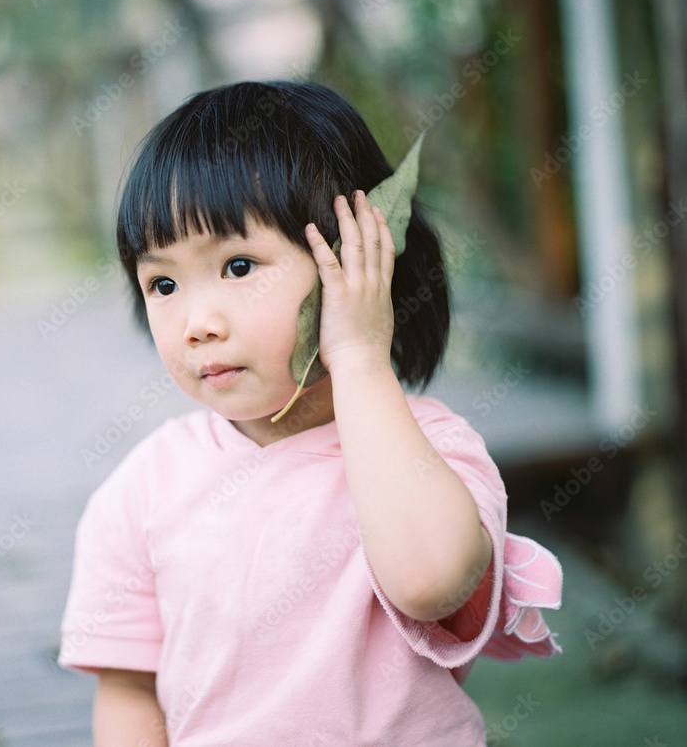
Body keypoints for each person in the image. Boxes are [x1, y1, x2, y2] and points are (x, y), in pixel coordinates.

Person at [57, 80, 562, 746]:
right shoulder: (143, 489)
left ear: (356, 260)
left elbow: (432, 581)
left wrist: (357, 355)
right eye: (164, 283)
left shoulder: (430, 448)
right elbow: (128, 689)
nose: (197, 322)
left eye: (239, 265)